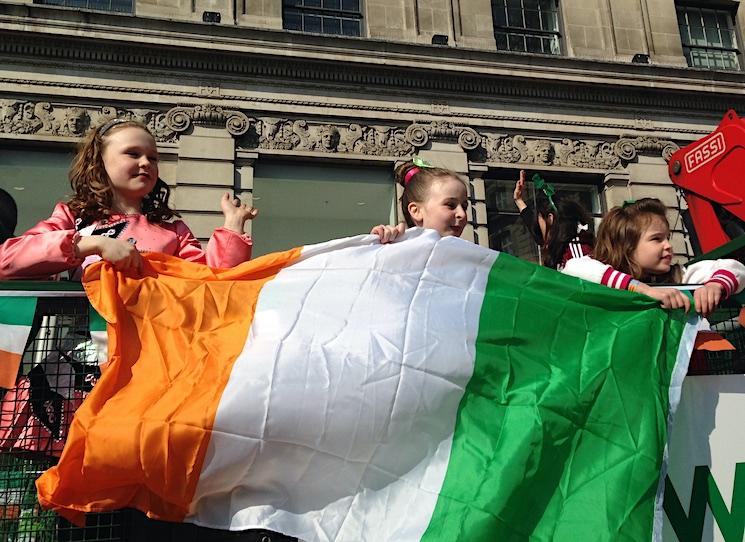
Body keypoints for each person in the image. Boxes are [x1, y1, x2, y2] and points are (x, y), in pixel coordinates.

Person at [0, 118, 258, 280]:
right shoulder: (72, 218)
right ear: (98, 162)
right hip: (86, 356)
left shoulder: (174, 231)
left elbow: (213, 281)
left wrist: (233, 229)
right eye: (133, 154)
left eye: (153, 158)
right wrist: (92, 244)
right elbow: (8, 259)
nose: (146, 162)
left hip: (153, 349)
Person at [562, 198, 745, 317]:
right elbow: (574, 268)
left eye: (667, 238)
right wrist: (643, 290)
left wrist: (716, 285)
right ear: (626, 246)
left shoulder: (678, 276)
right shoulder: (602, 273)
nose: (668, 245)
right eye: (657, 239)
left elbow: (735, 268)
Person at [513, 169, 593, 270]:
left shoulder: (577, 251)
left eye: (539, 218)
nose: (537, 223)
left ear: (550, 218)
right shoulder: (558, 244)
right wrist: (519, 200)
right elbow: (537, 231)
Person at [371, 160, 467, 242]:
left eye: (464, 206)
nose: (462, 214)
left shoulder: (473, 258)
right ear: (416, 211)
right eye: (450, 205)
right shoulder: (395, 249)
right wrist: (377, 242)